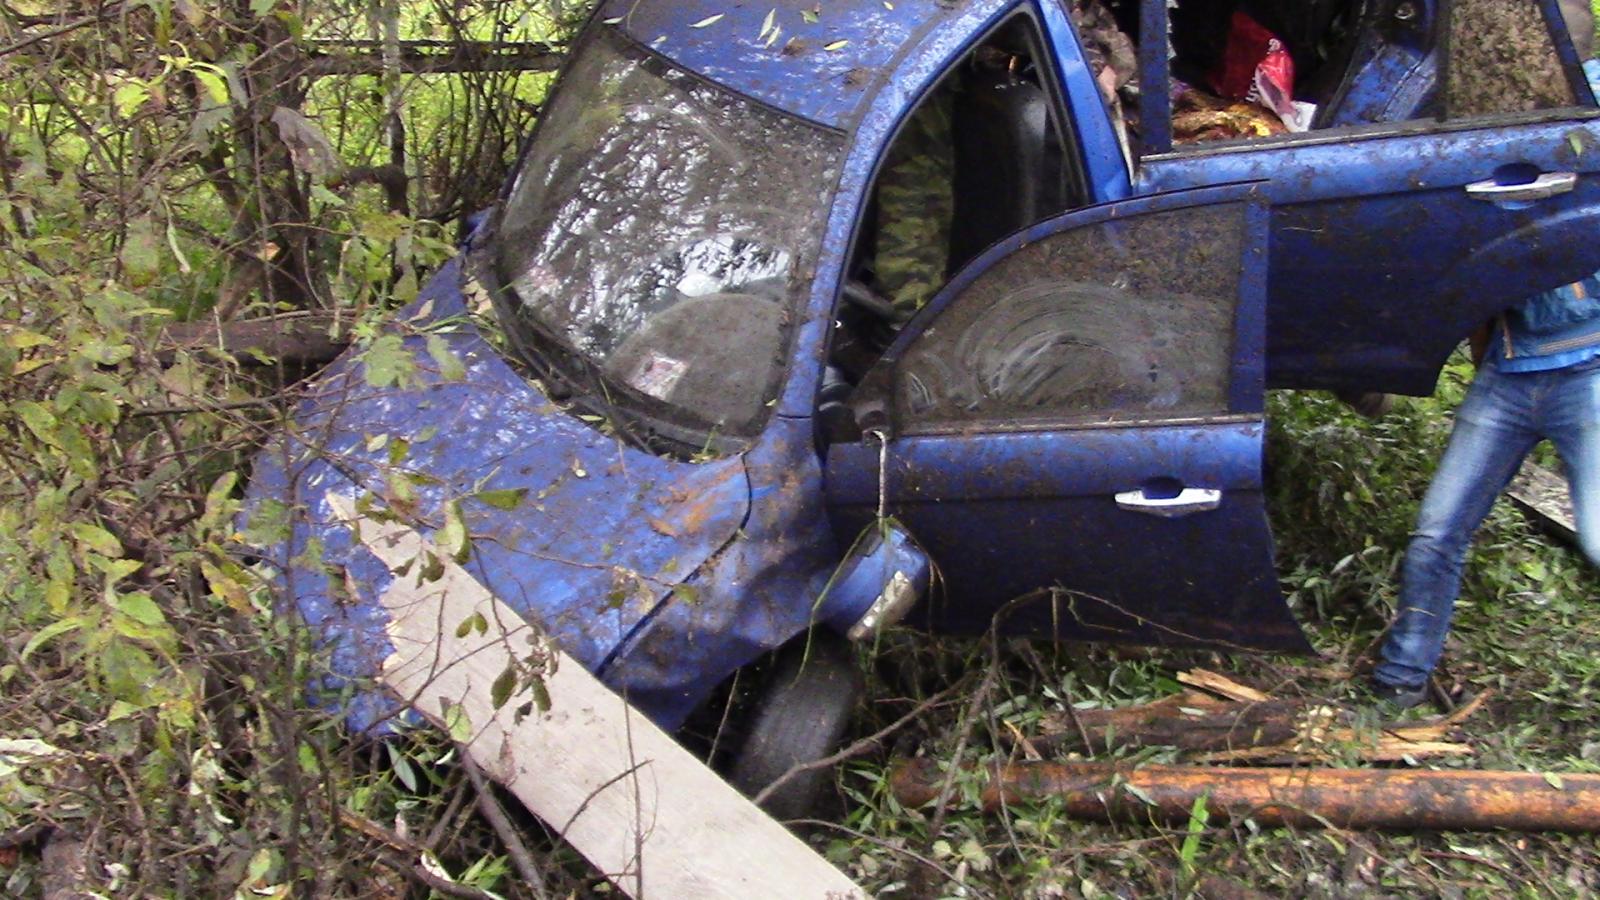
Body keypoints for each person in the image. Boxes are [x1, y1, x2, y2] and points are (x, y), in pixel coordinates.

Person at [1372, 1, 1599, 710]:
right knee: (1437, 533)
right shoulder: (1480, 126)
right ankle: (1399, 685)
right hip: (1506, 377)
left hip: (1586, 368)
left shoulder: (1586, 104)